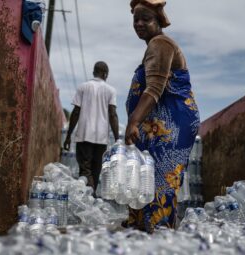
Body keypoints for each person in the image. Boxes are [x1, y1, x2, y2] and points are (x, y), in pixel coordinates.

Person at [123, 0, 200, 233]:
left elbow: (154, 89)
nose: (139, 23)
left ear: (158, 21)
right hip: (161, 122)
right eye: (136, 19)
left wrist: (134, 121)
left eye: (146, 19)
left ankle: (159, 228)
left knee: (161, 175)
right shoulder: (154, 45)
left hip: (173, 123)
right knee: (146, 170)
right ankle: (142, 221)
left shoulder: (160, 43)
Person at [64, 62, 119, 191]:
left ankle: (88, 200)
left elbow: (76, 112)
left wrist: (68, 135)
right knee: (95, 171)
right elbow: (113, 114)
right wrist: (117, 139)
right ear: (105, 74)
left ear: (94, 72)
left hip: (84, 136)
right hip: (101, 139)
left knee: (85, 170)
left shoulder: (83, 87)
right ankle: (91, 199)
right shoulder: (111, 90)